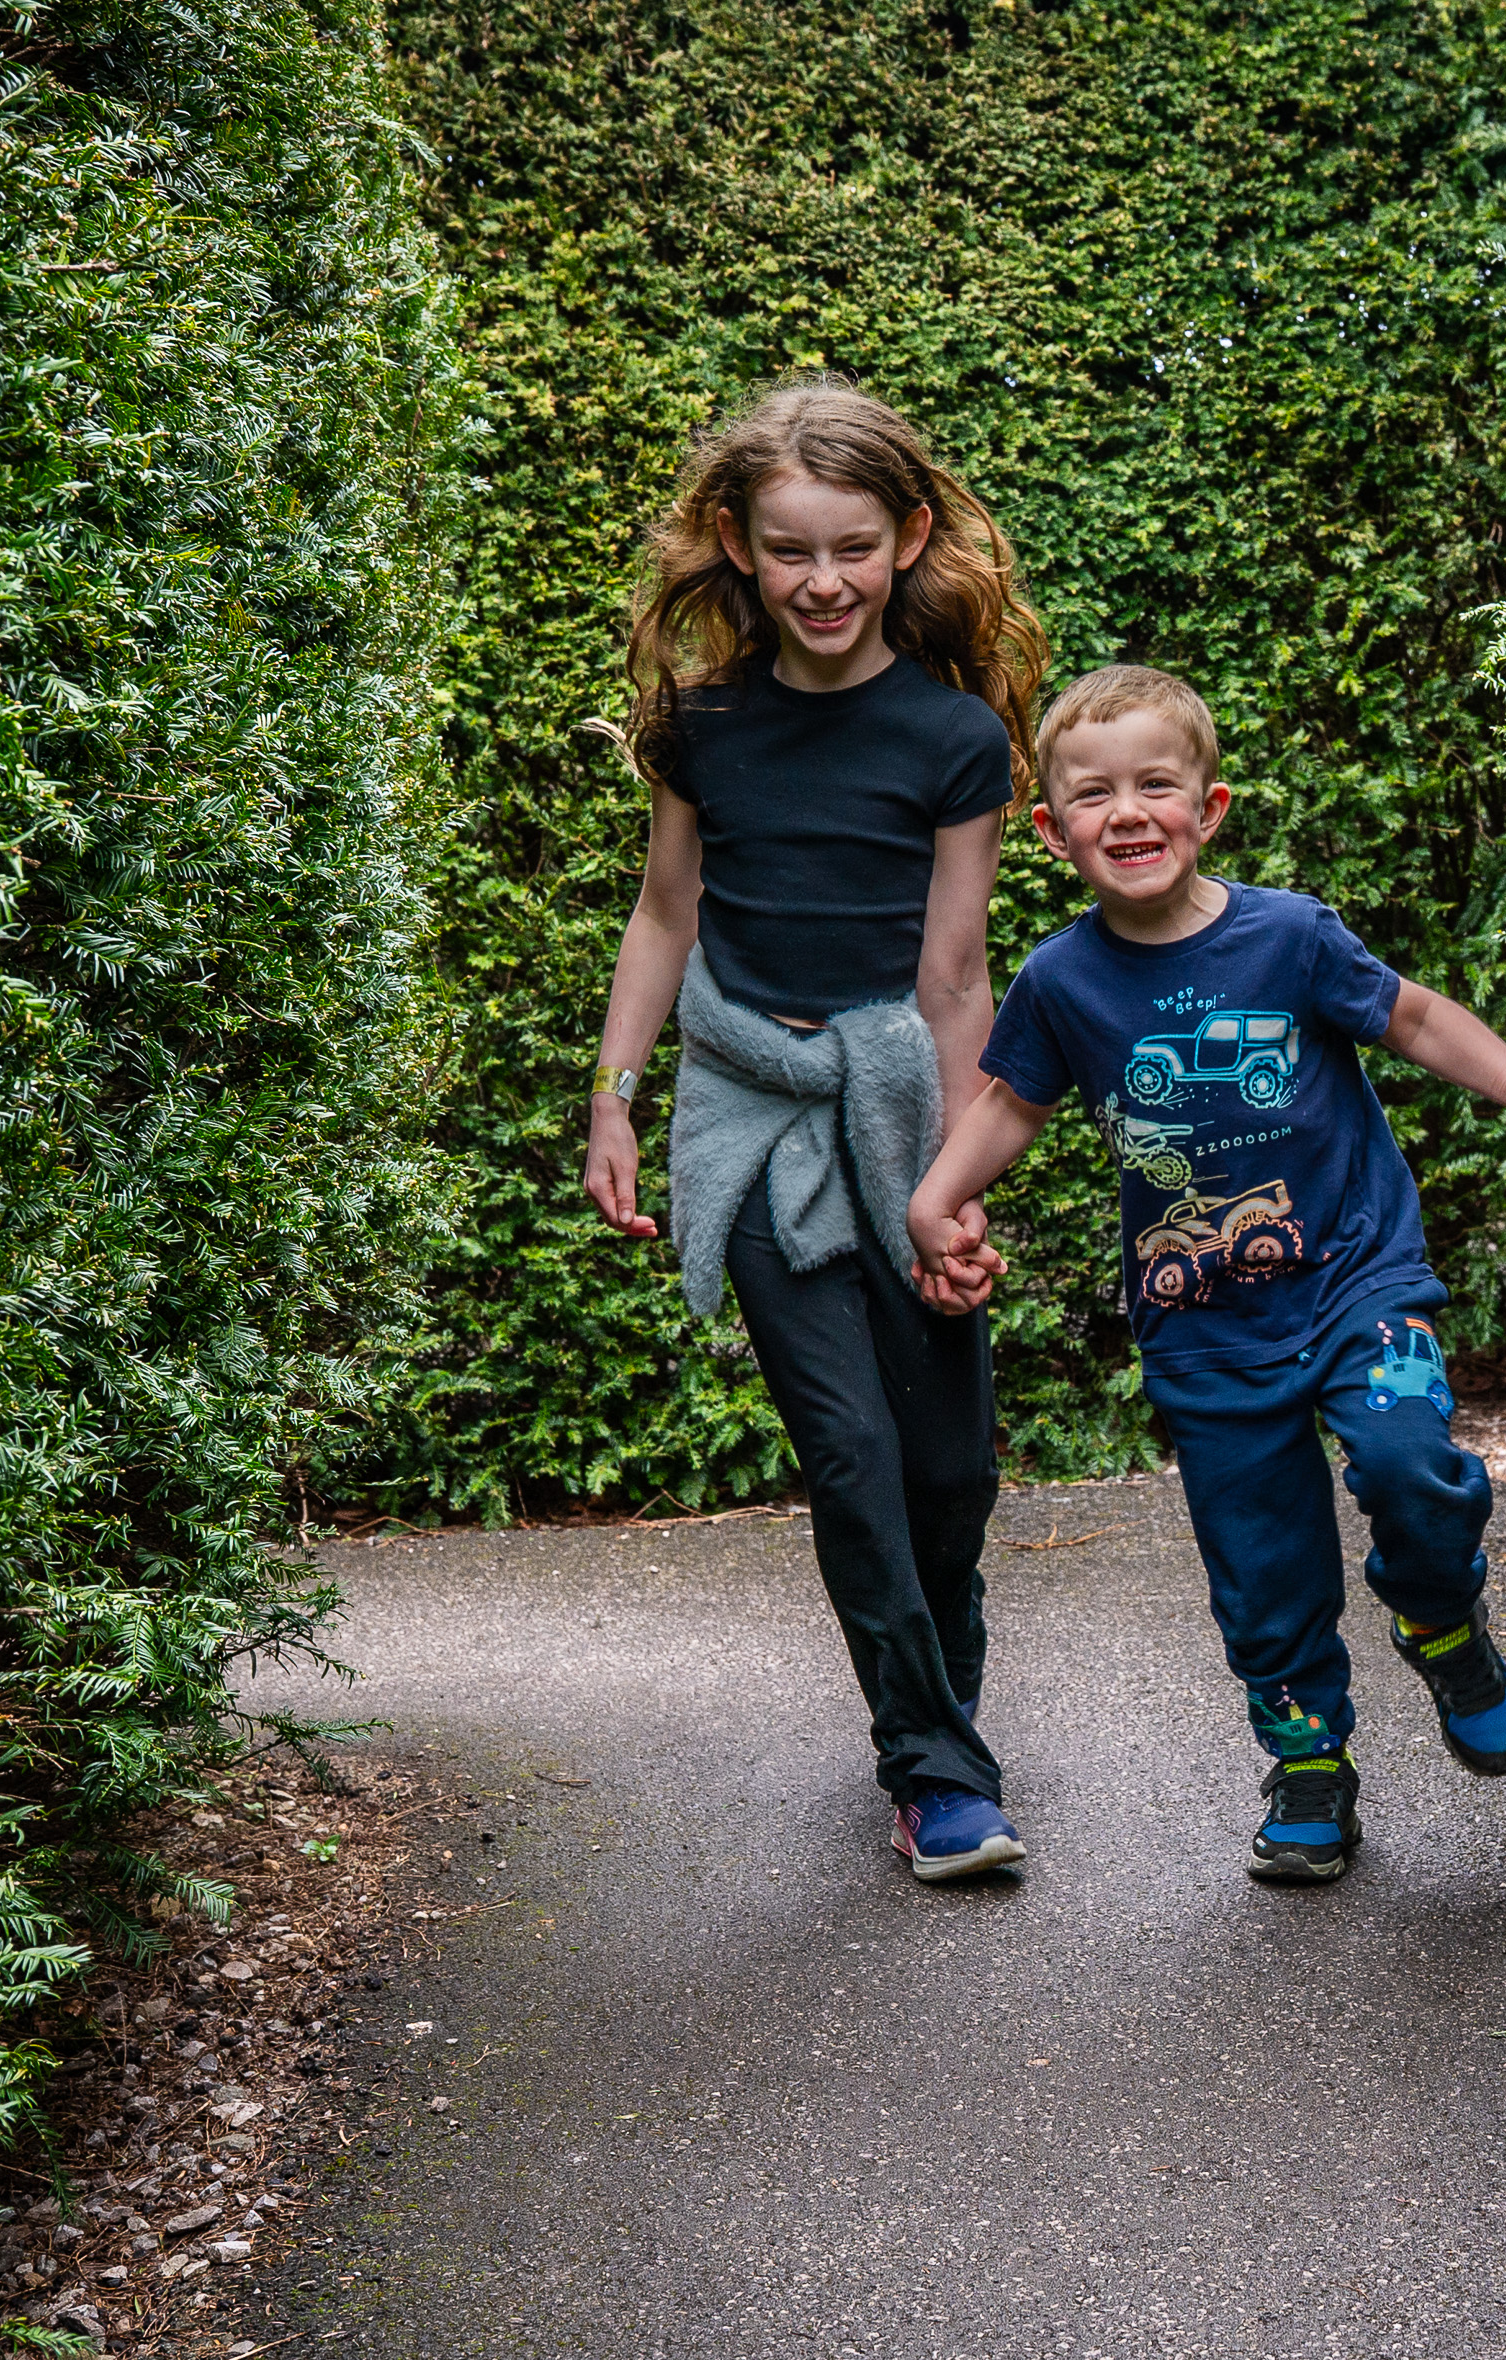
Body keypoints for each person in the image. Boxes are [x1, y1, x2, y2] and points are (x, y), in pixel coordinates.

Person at [904, 665, 1506, 1882]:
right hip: (1202, 1323)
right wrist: (934, 1199)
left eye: (1153, 786)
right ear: (1052, 833)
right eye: (1092, 796)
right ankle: (1310, 1764)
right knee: (1262, 1569)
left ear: (1208, 809)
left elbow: (1413, 1019)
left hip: (1354, 1280)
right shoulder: (1061, 981)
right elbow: (1012, 1102)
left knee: (1407, 1462)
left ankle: (1442, 1619)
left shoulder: (1289, 936)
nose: (1126, 812)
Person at [580, 382, 1048, 1884]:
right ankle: (935, 1772)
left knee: (948, 1476)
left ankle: (935, 1700)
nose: (824, 580)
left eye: (853, 547)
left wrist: (958, 1183)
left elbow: (955, 976)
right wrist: (615, 1095)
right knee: (849, 1455)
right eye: (790, 549)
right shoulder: (701, 726)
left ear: (907, 537)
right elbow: (666, 915)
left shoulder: (953, 738)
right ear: (738, 545)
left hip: (903, 1118)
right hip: (753, 1123)